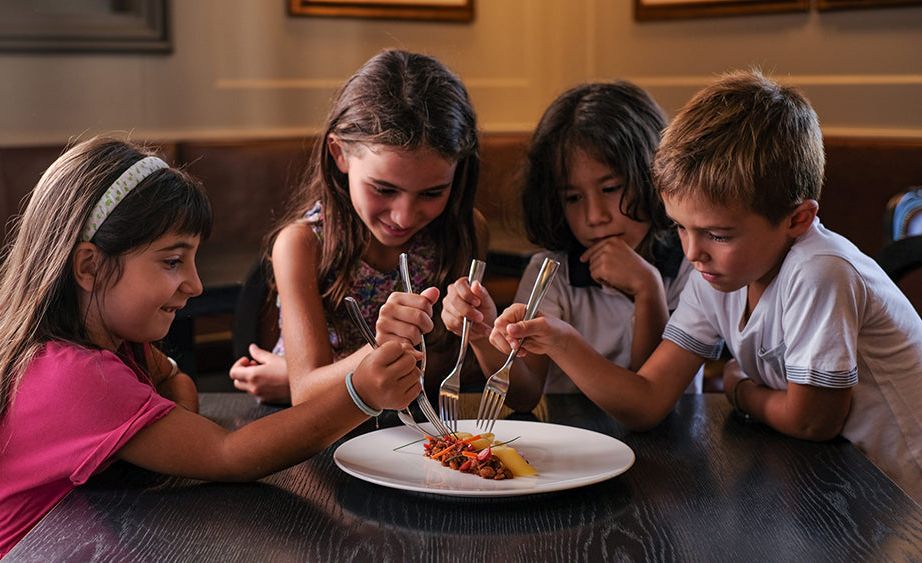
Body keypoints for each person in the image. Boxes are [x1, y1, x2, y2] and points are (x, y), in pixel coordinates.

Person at [0, 137, 422, 561]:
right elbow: (229, 454)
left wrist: (175, 390)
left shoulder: (112, 345)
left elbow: (173, 381)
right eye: (173, 261)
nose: (195, 284)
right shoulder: (74, 374)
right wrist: (360, 394)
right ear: (89, 266)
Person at [489, 69, 922, 503]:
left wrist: (740, 390)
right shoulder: (714, 276)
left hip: (904, 490)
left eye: (718, 234)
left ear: (797, 220)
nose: (694, 252)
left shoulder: (820, 270)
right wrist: (562, 341)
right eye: (680, 227)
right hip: (848, 485)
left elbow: (812, 422)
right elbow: (647, 403)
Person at [229, 49, 487, 405]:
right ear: (339, 153)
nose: (404, 217)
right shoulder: (302, 245)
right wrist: (378, 353)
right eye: (383, 189)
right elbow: (308, 394)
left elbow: (454, 365)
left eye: (432, 192)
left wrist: (294, 378)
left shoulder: (464, 232)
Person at [441, 81, 699, 413]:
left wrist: (648, 291)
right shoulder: (551, 274)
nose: (595, 216)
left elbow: (652, 395)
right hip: (571, 443)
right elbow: (524, 395)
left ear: (652, 175)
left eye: (610, 188)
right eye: (573, 198)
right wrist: (481, 333)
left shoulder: (690, 266)